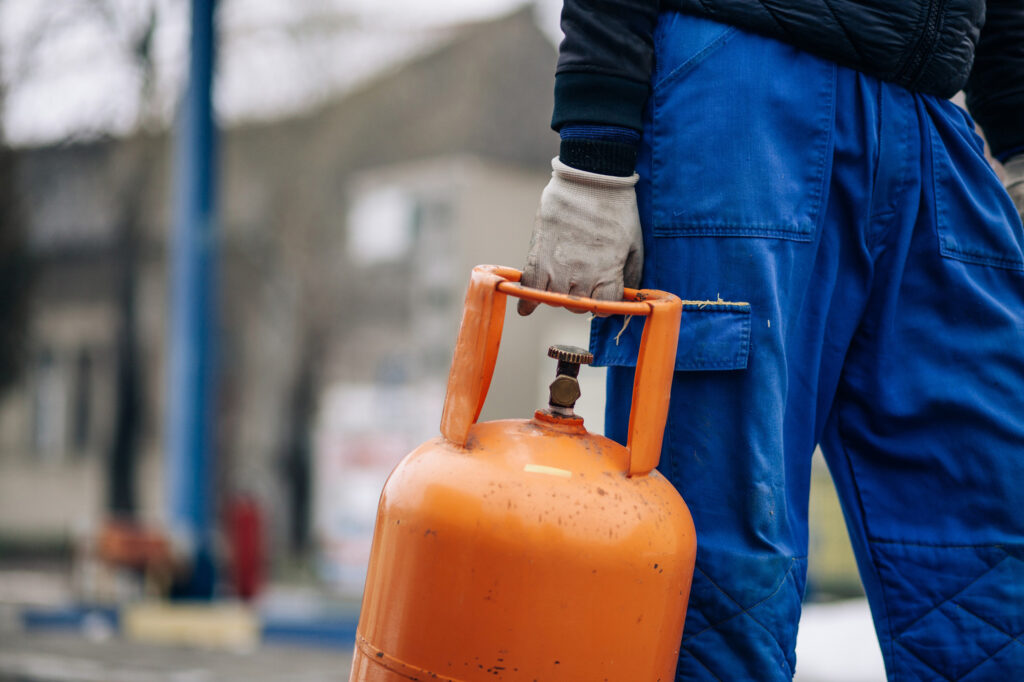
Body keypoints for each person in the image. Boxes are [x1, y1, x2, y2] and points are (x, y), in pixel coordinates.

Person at [519, 0, 1024, 678]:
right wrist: (593, 161)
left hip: (934, 120)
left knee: (994, 559)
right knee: (720, 574)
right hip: (742, 96)